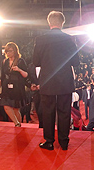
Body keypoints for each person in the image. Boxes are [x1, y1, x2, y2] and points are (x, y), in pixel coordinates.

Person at [34, 11, 80, 151]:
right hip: (64, 81)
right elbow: (76, 62)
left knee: (48, 112)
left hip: (47, 81)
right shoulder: (69, 39)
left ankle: (49, 141)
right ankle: (64, 141)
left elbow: (35, 61)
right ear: (62, 23)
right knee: (64, 111)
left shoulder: (40, 39)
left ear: (49, 23)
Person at [0, 42, 28, 127]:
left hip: (17, 86)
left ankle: (19, 125)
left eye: (10, 51)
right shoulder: (4, 62)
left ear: (15, 51)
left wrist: (19, 70)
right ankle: (16, 123)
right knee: (6, 105)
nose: (8, 53)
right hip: (6, 85)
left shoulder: (20, 61)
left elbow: (26, 75)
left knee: (16, 108)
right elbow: (1, 76)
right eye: (6, 51)